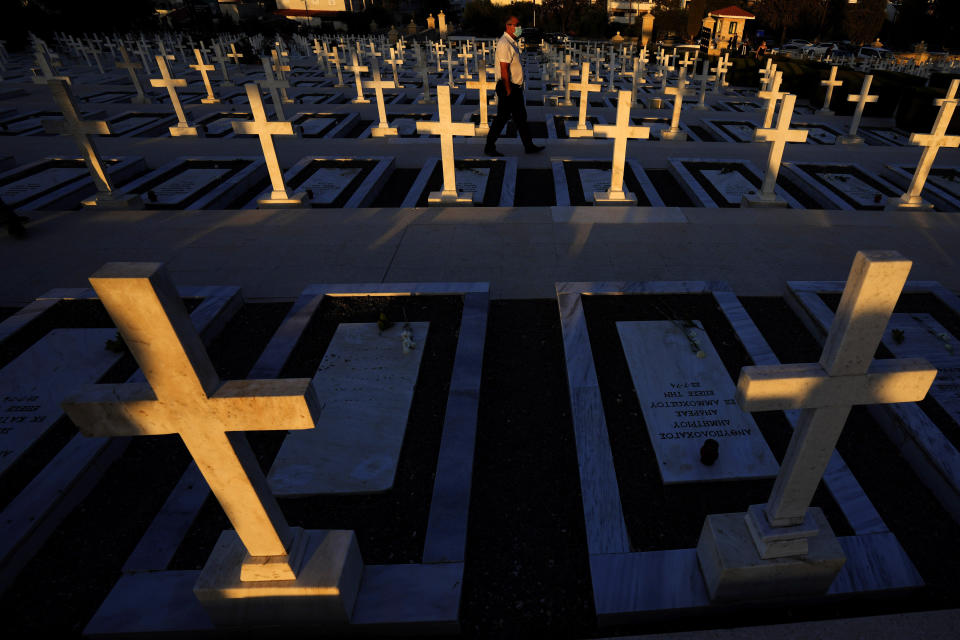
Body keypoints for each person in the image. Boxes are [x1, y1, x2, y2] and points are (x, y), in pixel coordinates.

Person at [484, 15, 545, 157]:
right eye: (517, 25)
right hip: (508, 87)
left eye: (519, 25)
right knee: (502, 118)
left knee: (520, 118)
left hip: (513, 87)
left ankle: (529, 146)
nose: (519, 28)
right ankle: (489, 146)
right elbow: (504, 68)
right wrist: (508, 90)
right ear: (508, 26)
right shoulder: (504, 43)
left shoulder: (511, 42)